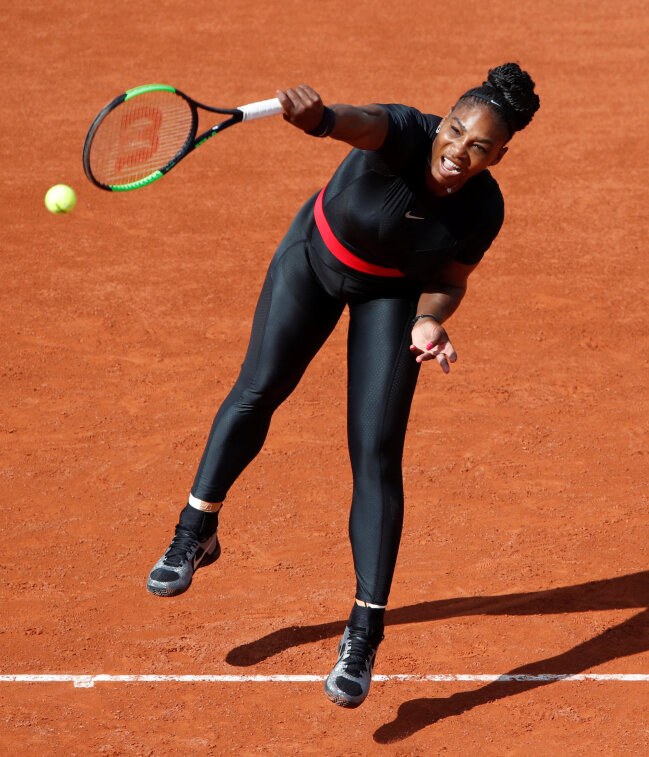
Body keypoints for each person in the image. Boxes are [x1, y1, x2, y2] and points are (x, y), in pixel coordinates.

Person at [144, 63, 540, 709]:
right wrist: (324, 120)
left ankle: (363, 634)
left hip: (391, 295)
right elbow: (364, 122)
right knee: (259, 388)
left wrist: (428, 319)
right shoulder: (407, 131)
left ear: (499, 155)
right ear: (442, 121)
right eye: (456, 132)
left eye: (479, 147)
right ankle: (195, 531)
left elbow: (452, 278)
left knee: (377, 454)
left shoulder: (484, 207)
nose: (458, 151)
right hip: (313, 260)